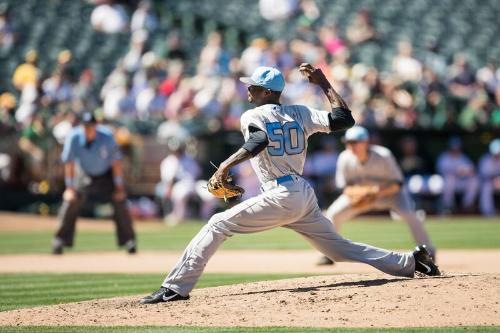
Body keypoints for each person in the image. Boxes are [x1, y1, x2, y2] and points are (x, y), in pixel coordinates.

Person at [140, 64, 440, 304]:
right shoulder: (301, 112)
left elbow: (259, 140)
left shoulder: (253, 114)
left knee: (217, 224)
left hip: (282, 194)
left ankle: (174, 288)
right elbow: (344, 119)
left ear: (267, 92)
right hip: (301, 194)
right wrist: (323, 83)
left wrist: (225, 166)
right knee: (337, 249)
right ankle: (413, 262)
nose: (249, 89)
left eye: (253, 86)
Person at [317, 126, 435, 265]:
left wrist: (375, 192)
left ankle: (429, 253)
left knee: (410, 215)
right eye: (348, 142)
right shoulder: (344, 158)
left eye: (355, 142)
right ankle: (329, 254)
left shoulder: (383, 155)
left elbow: (397, 184)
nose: (351, 146)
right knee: (333, 213)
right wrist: (361, 194)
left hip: (391, 196)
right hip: (361, 198)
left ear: (366, 143)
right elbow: (345, 187)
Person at [52, 112, 136, 254]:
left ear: (96, 126)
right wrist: (70, 188)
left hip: (106, 174)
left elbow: (116, 164)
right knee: (70, 201)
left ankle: (129, 241)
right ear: (81, 126)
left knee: (120, 200)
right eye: (85, 126)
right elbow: (69, 164)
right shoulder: (74, 137)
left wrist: (119, 187)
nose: (88, 129)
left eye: (90, 126)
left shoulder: (107, 137)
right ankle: (60, 240)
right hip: (84, 173)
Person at [436, 137, 479, 214]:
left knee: (474, 180)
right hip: (446, 183)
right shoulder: (444, 157)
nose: (455, 149)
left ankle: (467, 206)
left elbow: (472, 170)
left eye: (457, 147)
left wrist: (465, 172)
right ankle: (448, 207)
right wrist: (457, 171)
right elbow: (441, 171)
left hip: (461, 182)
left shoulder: (463, 157)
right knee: (450, 179)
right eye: (453, 147)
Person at [478, 139, 500, 216]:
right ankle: (488, 213)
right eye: (496, 154)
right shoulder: (485, 159)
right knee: (486, 187)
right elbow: (484, 174)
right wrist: (494, 180)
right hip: (490, 182)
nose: (497, 155)